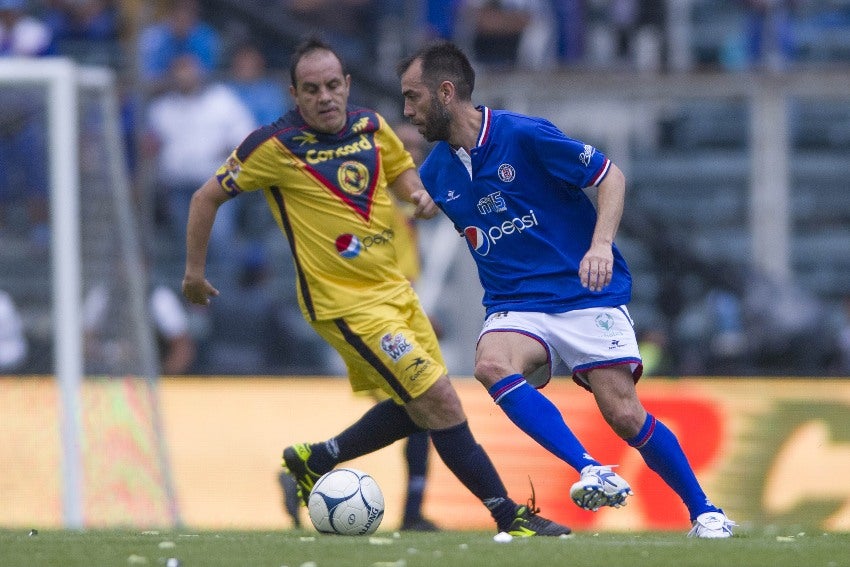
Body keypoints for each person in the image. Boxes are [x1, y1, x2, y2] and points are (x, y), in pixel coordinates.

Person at [182, 36, 570, 537]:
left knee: (426, 404)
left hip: (396, 293)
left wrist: (417, 197)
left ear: (346, 84)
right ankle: (509, 516)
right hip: (343, 303)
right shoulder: (272, 147)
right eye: (311, 88)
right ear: (294, 94)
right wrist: (194, 273)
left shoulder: (371, 126)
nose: (324, 96)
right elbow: (204, 197)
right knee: (439, 401)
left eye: (331, 85)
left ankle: (315, 461)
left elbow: (402, 169)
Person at [397, 40, 736, 538]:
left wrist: (600, 245)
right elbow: (419, 207)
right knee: (491, 364)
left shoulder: (522, 135)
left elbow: (610, 175)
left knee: (623, 413)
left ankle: (706, 511)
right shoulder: (436, 171)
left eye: (413, 97)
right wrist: (419, 207)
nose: (408, 110)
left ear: (446, 92)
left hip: (582, 294)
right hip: (516, 304)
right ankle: (590, 468)